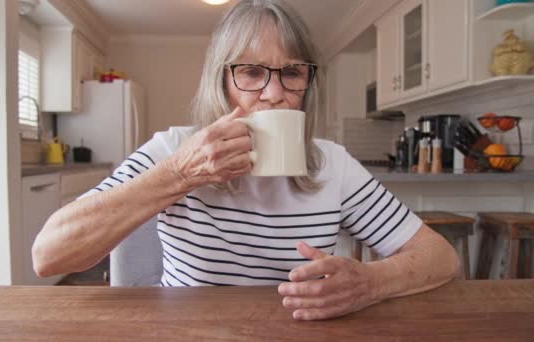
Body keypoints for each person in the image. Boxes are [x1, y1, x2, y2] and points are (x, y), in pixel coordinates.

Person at [32, 0, 460, 321]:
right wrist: (179, 174)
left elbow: (441, 257)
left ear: (307, 85)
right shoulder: (173, 149)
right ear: (222, 82)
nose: (274, 93)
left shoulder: (333, 164)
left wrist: (371, 283)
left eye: (291, 73)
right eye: (252, 73)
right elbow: (49, 255)